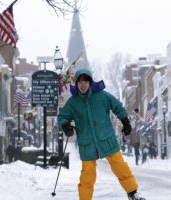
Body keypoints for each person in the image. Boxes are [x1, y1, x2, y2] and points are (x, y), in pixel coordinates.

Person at [58, 69, 146, 200]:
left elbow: (117, 106)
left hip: (106, 138)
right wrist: (65, 126)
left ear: (90, 82)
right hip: (86, 143)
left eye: (85, 82)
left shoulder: (102, 96)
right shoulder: (73, 102)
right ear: (76, 84)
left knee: (119, 166)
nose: (83, 85)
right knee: (87, 175)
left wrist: (125, 121)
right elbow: (62, 116)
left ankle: (133, 193)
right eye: (80, 82)